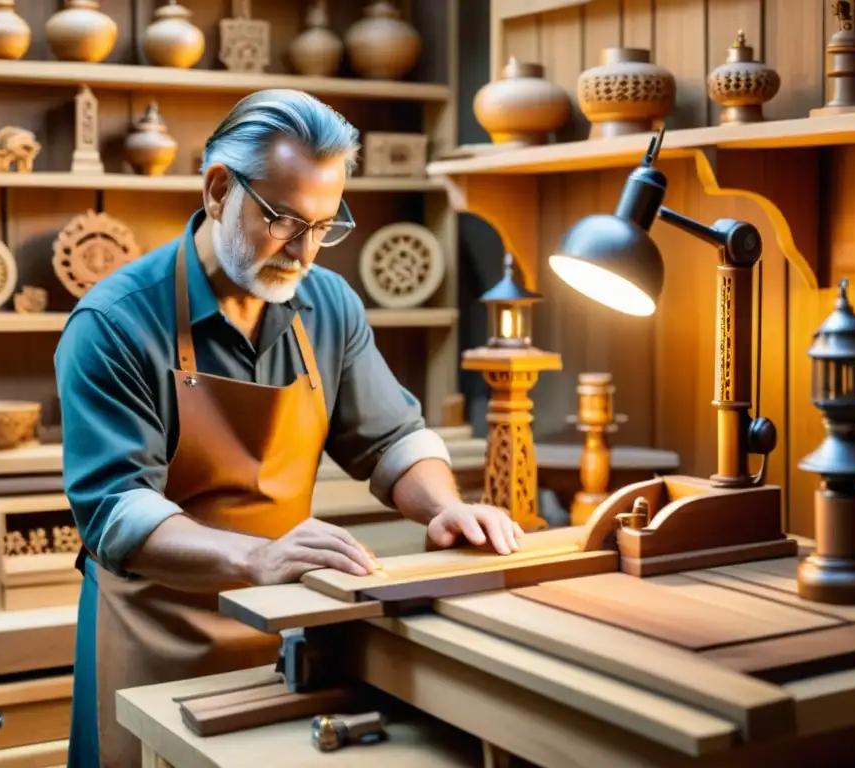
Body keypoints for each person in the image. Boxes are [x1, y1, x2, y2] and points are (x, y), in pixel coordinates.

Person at [54, 89, 523, 768]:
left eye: (325, 226)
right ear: (218, 190)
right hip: (152, 639)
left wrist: (447, 508)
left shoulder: (327, 303)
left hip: (284, 633)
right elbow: (116, 512)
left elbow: (391, 439)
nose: (304, 252)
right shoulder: (115, 324)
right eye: (283, 220)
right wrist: (257, 558)